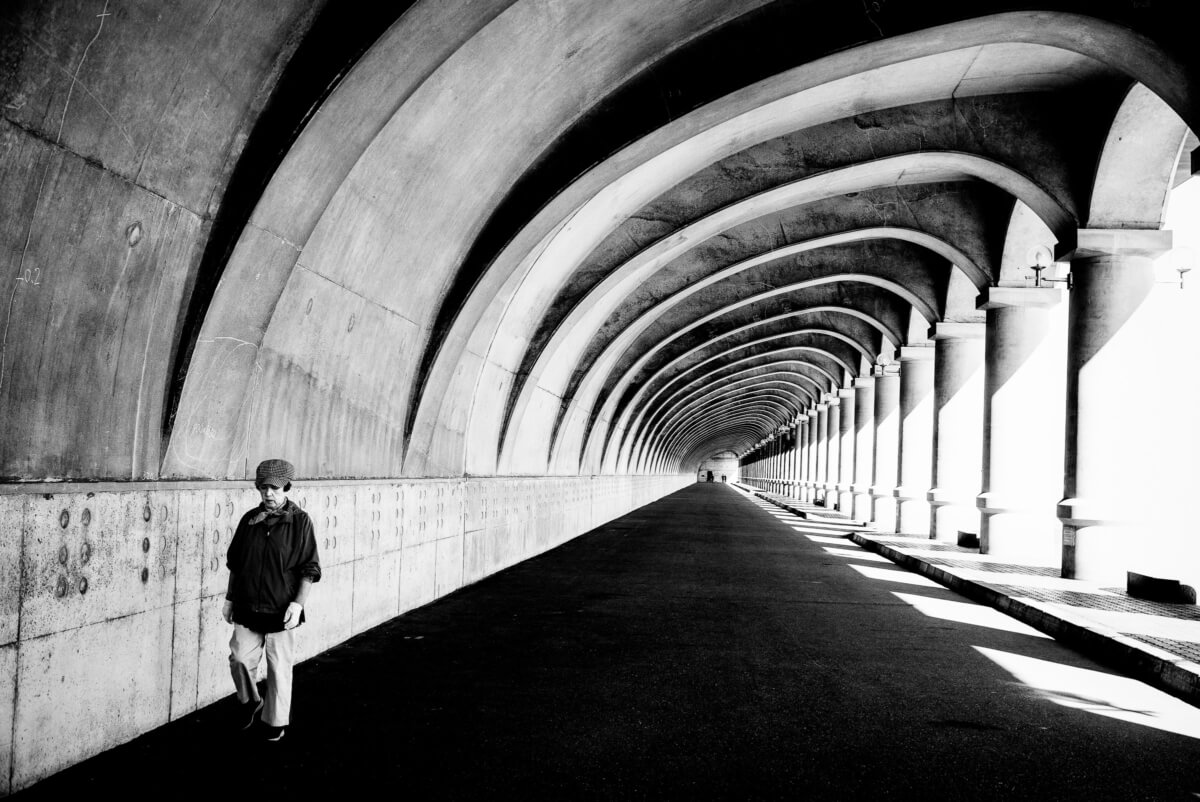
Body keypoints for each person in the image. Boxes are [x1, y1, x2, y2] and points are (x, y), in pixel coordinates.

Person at [223, 458, 321, 742]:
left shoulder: (300, 522)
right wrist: (230, 600)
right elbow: (236, 563)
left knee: (278, 667)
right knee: (239, 658)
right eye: (263, 488)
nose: (268, 494)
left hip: (282, 607)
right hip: (247, 604)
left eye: (275, 488)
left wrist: (298, 603)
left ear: (287, 488)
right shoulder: (249, 520)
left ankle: (275, 722)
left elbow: (309, 568)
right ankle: (251, 701)